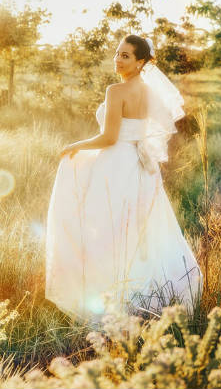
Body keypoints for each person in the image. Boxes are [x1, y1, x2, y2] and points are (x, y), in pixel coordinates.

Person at [44, 34, 203, 324]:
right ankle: (151, 298)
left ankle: (109, 299)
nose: (118, 59)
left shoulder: (116, 91)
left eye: (126, 55)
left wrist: (76, 146)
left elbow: (109, 137)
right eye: (117, 53)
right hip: (141, 167)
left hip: (116, 164)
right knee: (142, 232)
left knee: (105, 231)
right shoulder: (150, 92)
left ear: (141, 61)